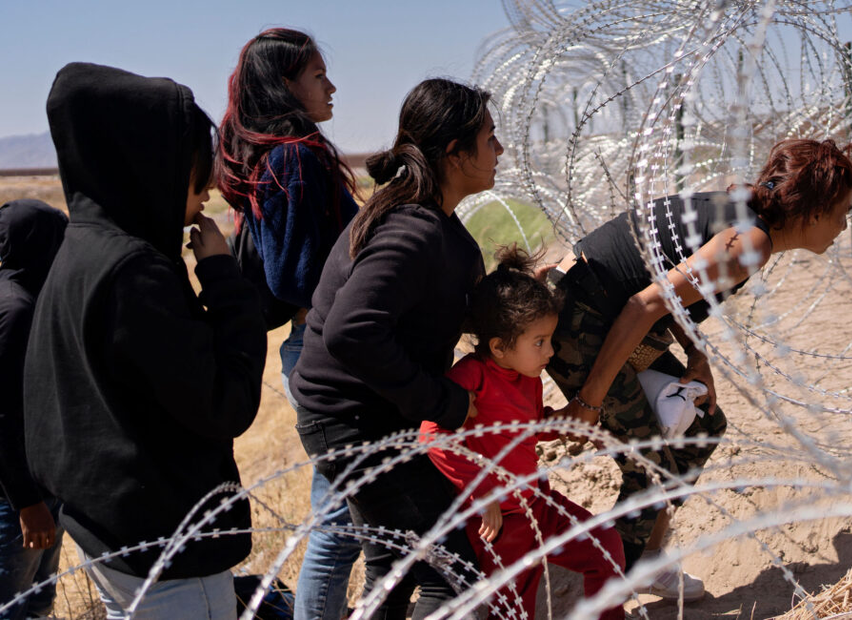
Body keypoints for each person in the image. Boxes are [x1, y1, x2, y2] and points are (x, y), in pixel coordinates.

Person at [547, 138, 852, 599]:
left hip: (604, 313)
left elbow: (667, 290)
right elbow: (646, 304)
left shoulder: (747, 226)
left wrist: (698, 359)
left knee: (702, 424)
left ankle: (645, 561)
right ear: (815, 211)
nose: (844, 224)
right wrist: (589, 400)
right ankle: (609, 585)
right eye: (844, 211)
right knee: (650, 466)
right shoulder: (751, 243)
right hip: (583, 320)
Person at [23, 62, 267, 618]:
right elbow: (224, 401)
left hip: (112, 534)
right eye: (195, 172)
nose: (207, 189)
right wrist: (225, 282)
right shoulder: (136, 272)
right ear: (147, 165)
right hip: (168, 547)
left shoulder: (83, 247)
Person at [290, 77, 505, 620]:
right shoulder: (411, 229)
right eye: (490, 138)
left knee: (394, 567)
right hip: (355, 422)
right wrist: (442, 402)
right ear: (454, 153)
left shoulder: (435, 225)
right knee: (453, 578)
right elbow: (350, 331)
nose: (500, 150)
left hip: (368, 418)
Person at [216, 28, 361, 620]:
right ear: (285, 86)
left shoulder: (284, 153)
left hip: (318, 346)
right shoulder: (295, 156)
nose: (332, 87)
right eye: (318, 76)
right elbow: (292, 277)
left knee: (347, 516)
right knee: (341, 521)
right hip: (327, 348)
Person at [420, 246, 626, 620]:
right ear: (498, 346)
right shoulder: (472, 377)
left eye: (549, 339)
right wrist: (483, 493)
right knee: (515, 609)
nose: (550, 351)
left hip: (537, 502)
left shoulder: (526, 375)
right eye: (539, 342)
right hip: (500, 523)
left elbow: (524, 427)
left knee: (606, 545)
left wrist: (561, 423)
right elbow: (432, 437)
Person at [0, 199, 67, 619]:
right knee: (16, 607)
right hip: (15, 499)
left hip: (34, 489)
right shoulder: (16, 310)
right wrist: (28, 504)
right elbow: (3, 417)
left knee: (36, 603)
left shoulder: (21, 296)